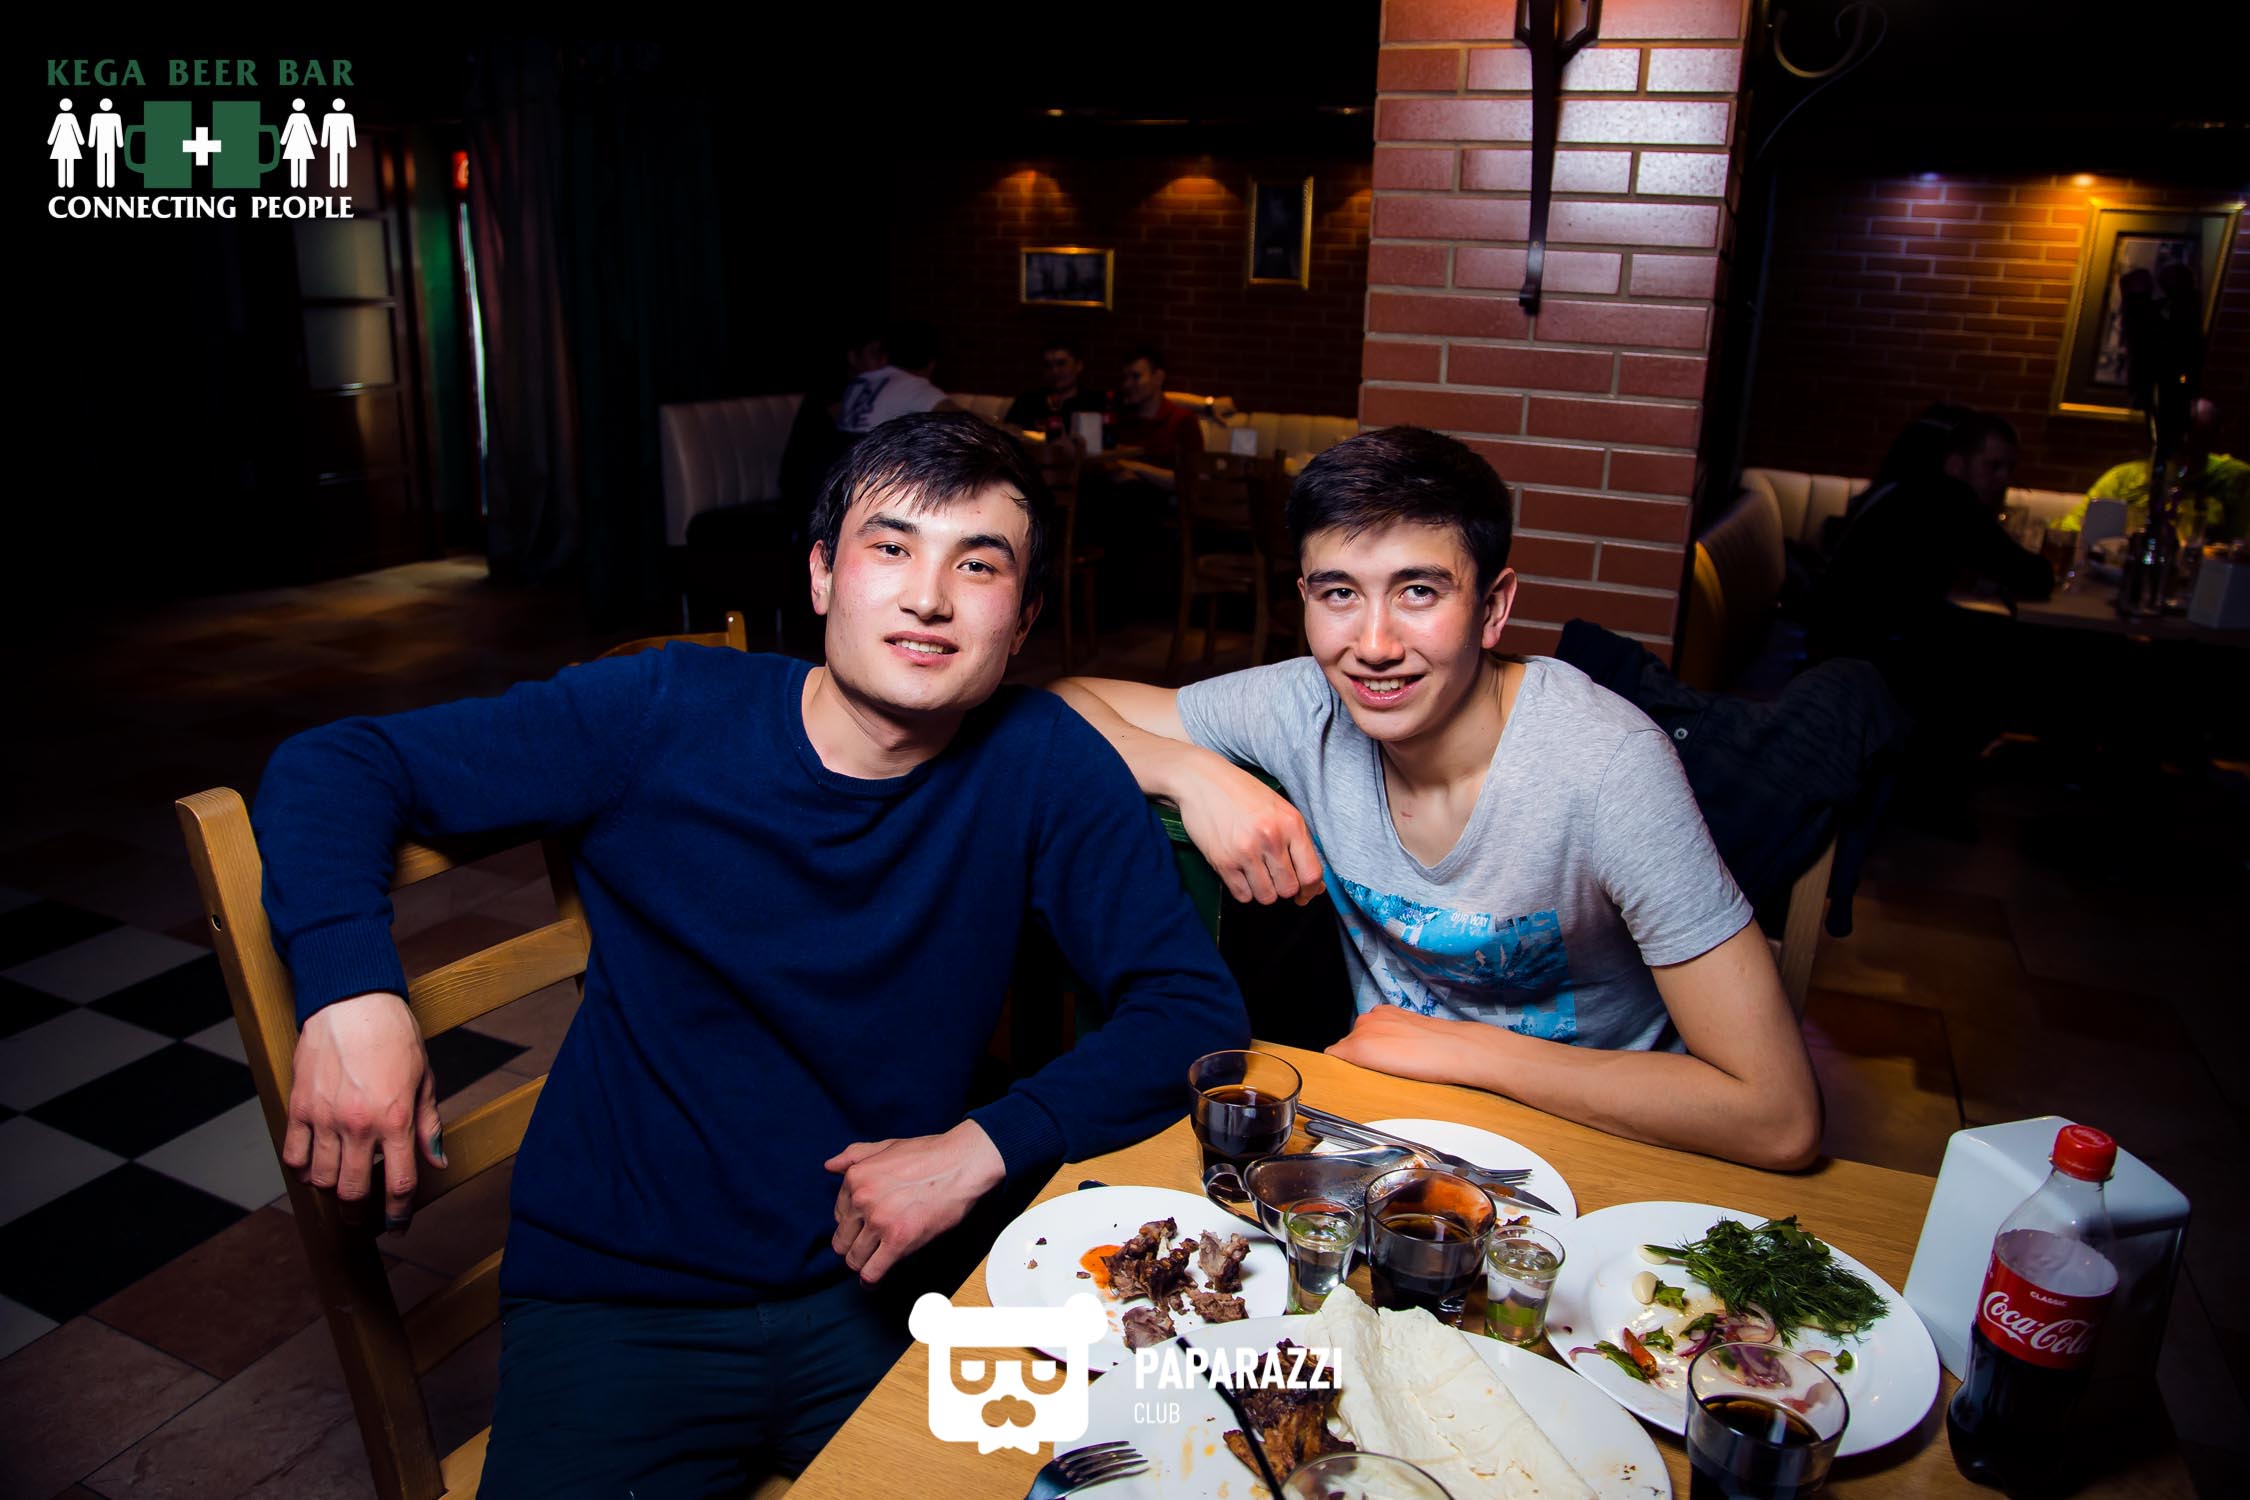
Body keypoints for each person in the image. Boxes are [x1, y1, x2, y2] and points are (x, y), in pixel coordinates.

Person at [254, 413, 1248, 1496]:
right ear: (821, 574)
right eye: (891, 547)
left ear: (1025, 619)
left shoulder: (1040, 760)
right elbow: (335, 766)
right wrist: (353, 992)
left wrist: (981, 1147)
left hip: (886, 1284)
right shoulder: (664, 711)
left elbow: (1190, 1010)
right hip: (623, 1296)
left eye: (979, 564)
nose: (928, 596)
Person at [1050, 427, 1822, 1172]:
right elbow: (1062, 700)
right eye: (1339, 593)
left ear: (1493, 607)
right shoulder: (1302, 704)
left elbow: (1777, 1116)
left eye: (1419, 591)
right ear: (1304, 600)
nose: (1374, 645)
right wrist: (1189, 772)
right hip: (1395, 1134)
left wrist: (1466, 1051)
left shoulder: (1607, 766)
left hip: (1605, 1145)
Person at [1811, 406, 2052, 670]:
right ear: (1954, 463)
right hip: (1867, 662)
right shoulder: (1949, 500)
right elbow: (2035, 576)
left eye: (2010, 468)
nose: (2004, 479)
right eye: (1993, 466)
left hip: (1835, 646)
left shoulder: (1898, 489)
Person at [2057, 397, 2250, 543]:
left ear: (2215, 438)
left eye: (2197, 437)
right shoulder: (2123, 477)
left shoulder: (2234, 478)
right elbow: (2072, 529)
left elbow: (2240, 548)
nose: (2185, 444)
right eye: (2178, 437)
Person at [1107, 345, 1207, 478]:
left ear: (1158, 378)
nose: (1127, 384)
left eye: (1136, 376)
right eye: (1125, 378)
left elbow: (1193, 477)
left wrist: (1138, 469)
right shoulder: (1123, 417)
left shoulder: (1182, 420)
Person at [837, 321, 950, 434]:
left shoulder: (855, 387)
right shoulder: (909, 386)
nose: (882, 362)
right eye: (875, 354)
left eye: (883, 353)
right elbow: (958, 423)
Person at [1003, 337, 1103, 432]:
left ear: (1079, 365)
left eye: (1061, 363)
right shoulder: (1027, 402)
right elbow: (1007, 436)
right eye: (1048, 365)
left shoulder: (1094, 404)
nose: (1054, 371)